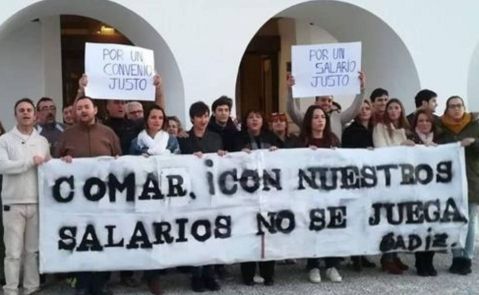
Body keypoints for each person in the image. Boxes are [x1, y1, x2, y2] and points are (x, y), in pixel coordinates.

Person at [55, 96, 121, 295]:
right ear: (75, 113)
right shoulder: (67, 135)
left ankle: (100, 284)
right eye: (79, 108)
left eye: (86, 107)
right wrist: (63, 161)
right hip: (76, 202)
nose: (83, 111)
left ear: (95, 110)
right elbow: (56, 165)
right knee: (81, 240)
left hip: (104, 201)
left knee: (102, 240)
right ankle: (82, 284)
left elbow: (119, 161)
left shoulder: (109, 133)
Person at [0, 98, 50, 295]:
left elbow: (48, 167)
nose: (26, 113)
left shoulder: (42, 141)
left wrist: (64, 162)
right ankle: (11, 290)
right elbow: (3, 166)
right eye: (21, 110)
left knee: (32, 252)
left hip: (36, 201)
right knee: (13, 253)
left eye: (29, 110)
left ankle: (31, 288)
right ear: (16, 115)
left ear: (35, 115)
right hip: (13, 202)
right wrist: (30, 161)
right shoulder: (4, 140)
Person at [129, 105, 179, 295]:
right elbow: (130, 165)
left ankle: (158, 269)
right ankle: (150, 275)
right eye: (153, 117)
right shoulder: (136, 142)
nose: (157, 121)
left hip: (165, 192)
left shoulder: (171, 140)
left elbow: (179, 162)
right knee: (146, 233)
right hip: (144, 193)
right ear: (146, 120)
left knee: (162, 231)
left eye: (160, 117)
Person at [177, 101, 224, 292]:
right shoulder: (184, 139)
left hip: (212, 193)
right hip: (192, 195)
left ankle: (209, 274)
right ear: (192, 119)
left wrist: (222, 156)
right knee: (196, 234)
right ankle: (196, 275)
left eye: (205, 116)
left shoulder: (215, 137)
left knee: (212, 234)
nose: (203, 120)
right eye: (199, 116)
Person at [297, 105, 342, 283]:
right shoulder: (302, 141)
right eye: (316, 117)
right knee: (313, 229)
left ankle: (332, 265)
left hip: (330, 194)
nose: (320, 120)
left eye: (323, 117)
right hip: (310, 194)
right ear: (309, 120)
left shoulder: (333, 140)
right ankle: (313, 265)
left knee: (331, 229)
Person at [436, 96, 479, 275]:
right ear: (447, 109)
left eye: (459, 106)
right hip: (450, 182)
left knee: (469, 220)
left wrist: (474, 143)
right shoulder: (442, 128)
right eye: (452, 106)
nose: (456, 109)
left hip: (471, 179)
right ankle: (456, 256)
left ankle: (467, 257)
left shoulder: (475, 125)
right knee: (453, 220)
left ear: (464, 107)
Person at [238, 109, 278, 286]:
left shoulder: (272, 138)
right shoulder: (237, 139)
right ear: (246, 121)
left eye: (258, 117)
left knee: (268, 234)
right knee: (247, 233)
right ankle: (247, 274)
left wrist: (277, 153)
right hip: (245, 196)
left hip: (268, 195)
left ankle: (268, 273)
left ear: (263, 121)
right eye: (251, 117)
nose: (254, 120)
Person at [373, 98, 413, 274]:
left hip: (404, 181)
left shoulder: (406, 129)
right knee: (390, 220)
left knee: (400, 220)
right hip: (388, 181)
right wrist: (402, 145)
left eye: (397, 107)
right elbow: (381, 150)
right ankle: (387, 257)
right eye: (390, 108)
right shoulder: (380, 128)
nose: (393, 110)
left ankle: (395, 254)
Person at [341, 100, 376, 271]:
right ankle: (355, 256)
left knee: (368, 218)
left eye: (367, 108)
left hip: (373, 180)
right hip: (356, 180)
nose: (364, 111)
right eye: (361, 108)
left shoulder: (376, 129)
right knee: (356, 218)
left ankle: (364, 252)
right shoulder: (350, 131)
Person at [286, 71, 366, 141]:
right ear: (316, 102)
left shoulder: (337, 117)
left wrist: (361, 90)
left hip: (333, 156)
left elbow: (354, 110)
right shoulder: (306, 117)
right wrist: (290, 90)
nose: (327, 103)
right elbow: (292, 111)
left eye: (330, 101)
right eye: (323, 100)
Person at [409, 109, 438, 276]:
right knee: (419, 227)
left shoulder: (440, 140)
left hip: (436, 191)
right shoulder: (411, 139)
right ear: (416, 123)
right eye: (420, 121)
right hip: (417, 190)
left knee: (433, 226)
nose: (424, 123)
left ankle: (430, 261)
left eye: (427, 120)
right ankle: (420, 262)